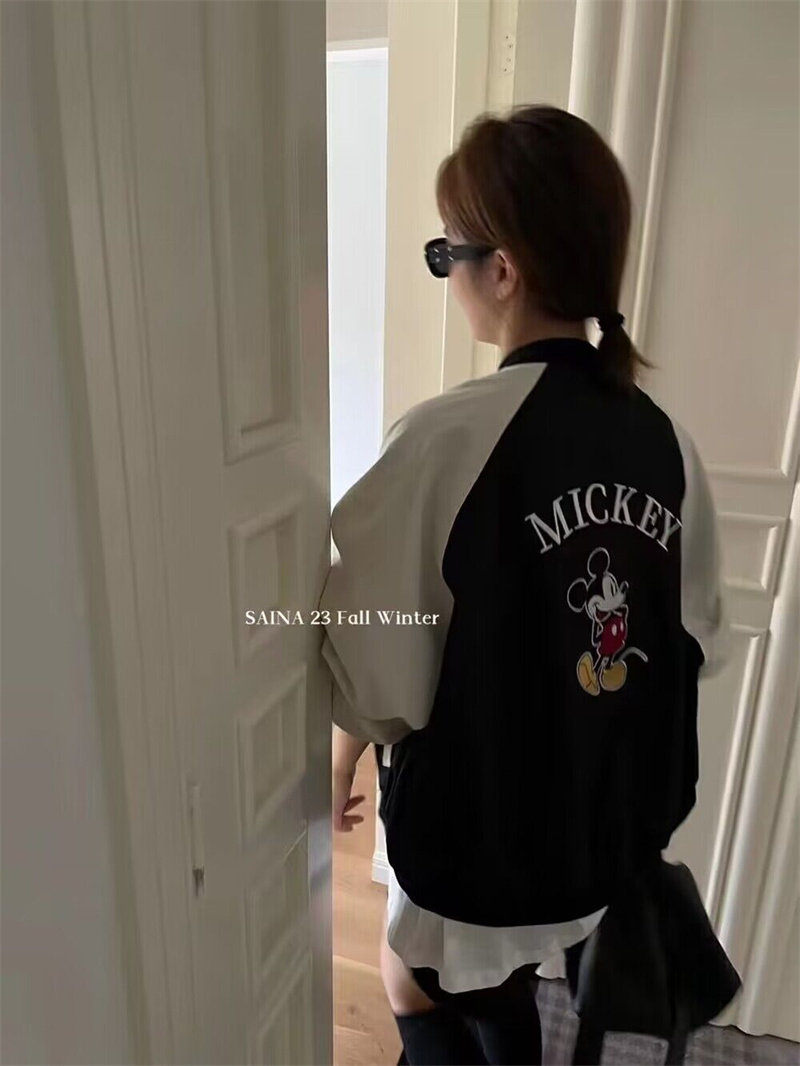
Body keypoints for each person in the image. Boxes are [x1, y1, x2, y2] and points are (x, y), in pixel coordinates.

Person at [321, 104, 731, 1066]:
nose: (447, 276)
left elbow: (381, 670)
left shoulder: (443, 441)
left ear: (501, 270)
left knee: (411, 979)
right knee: (501, 977)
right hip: (602, 830)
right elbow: (696, 637)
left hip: (482, 836)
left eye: (446, 254)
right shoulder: (666, 444)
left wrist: (338, 760)